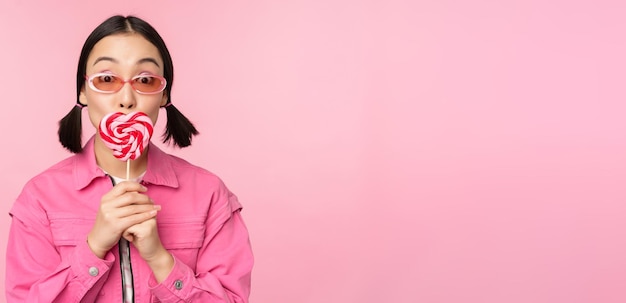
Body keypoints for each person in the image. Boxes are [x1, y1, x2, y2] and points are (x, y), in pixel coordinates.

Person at [5, 15, 253, 302]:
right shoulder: (39, 199)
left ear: (163, 94)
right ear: (83, 91)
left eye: (145, 80)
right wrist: (95, 246)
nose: (126, 98)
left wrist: (159, 258)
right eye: (107, 79)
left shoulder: (210, 194)